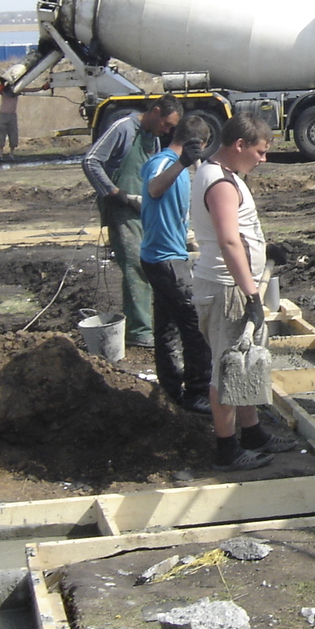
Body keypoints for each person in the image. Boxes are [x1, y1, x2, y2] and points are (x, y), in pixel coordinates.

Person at [192, 112, 298, 470]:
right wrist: (251, 293)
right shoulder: (220, 182)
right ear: (239, 145)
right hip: (227, 289)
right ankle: (227, 449)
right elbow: (227, 239)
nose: (263, 159)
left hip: (234, 284)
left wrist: (263, 252)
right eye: (260, 151)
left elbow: (238, 232)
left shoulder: (226, 175)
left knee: (246, 363)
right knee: (227, 368)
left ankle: (252, 432)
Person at [82, 96, 182, 349]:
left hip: (143, 208)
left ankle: (150, 324)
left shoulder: (154, 138)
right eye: (167, 124)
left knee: (153, 262)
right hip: (122, 209)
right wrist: (115, 193)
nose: (168, 131)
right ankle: (138, 331)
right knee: (136, 265)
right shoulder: (123, 128)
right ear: (156, 111)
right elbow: (91, 161)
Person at [139, 113, 214, 415]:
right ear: (197, 143)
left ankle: (170, 388)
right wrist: (183, 163)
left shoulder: (179, 167)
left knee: (167, 327)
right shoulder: (164, 163)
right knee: (195, 326)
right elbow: (155, 189)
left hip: (168, 254)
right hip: (164, 259)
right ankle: (197, 392)